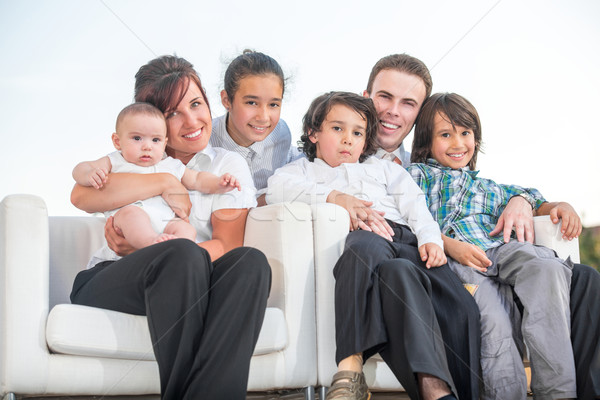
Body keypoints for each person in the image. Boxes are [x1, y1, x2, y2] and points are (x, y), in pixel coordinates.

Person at [69, 55, 271, 400]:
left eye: (196, 104)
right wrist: (163, 180)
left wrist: (172, 256)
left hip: (192, 281)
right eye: (173, 113)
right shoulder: (130, 161)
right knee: (181, 253)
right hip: (114, 279)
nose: (191, 120)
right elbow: (81, 195)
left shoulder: (225, 165)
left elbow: (225, 245)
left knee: (249, 262)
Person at [268, 91, 467, 400]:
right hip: (366, 238)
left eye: (357, 132)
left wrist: (430, 240)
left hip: (408, 241)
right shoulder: (302, 172)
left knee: (458, 304)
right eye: (337, 128)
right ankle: (349, 369)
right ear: (313, 133)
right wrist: (335, 197)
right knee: (360, 249)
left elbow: (416, 207)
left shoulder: (384, 169)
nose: (348, 139)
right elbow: (277, 189)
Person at [408, 92, 580, 400]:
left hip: (500, 247)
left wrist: (560, 205)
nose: (458, 143)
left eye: (465, 133)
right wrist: (446, 245)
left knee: (547, 268)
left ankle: (558, 393)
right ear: (426, 142)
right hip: (461, 260)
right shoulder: (415, 177)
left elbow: (536, 198)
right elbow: (404, 217)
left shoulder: (488, 187)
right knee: (493, 319)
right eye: (446, 135)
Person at [363, 54, 481, 400]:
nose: (393, 111)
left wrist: (523, 199)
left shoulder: (425, 169)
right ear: (366, 94)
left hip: (422, 260)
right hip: (370, 258)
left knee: (463, 309)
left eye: (408, 103)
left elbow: (478, 193)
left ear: (420, 114)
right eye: (384, 97)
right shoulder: (335, 147)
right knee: (396, 274)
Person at [73, 102, 240, 267]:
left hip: (165, 222)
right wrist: (89, 174)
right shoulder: (115, 161)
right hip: (129, 223)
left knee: (186, 229)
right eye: (137, 138)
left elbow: (197, 180)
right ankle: (152, 245)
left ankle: (179, 257)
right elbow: (82, 169)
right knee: (132, 214)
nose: (147, 146)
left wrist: (219, 183)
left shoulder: (170, 164)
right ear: (117, 141)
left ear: (164, 142)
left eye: (155, 140)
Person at [210, 49, 300, 203]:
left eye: (273, 104)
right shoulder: (207, 140)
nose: (263, 117)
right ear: (226, 100)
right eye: (251, 103)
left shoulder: (281, 132)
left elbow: (298, 160)